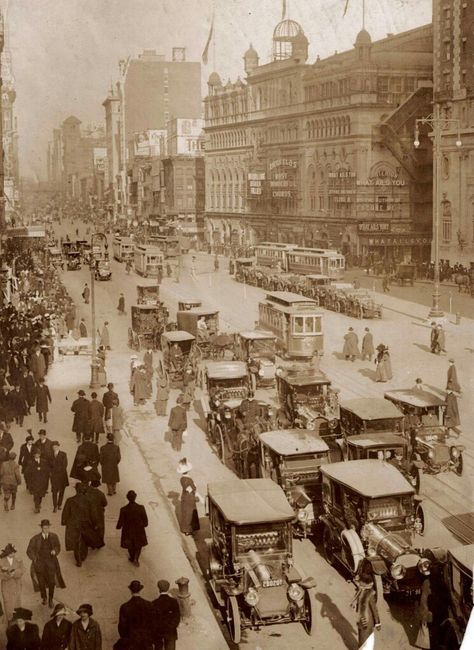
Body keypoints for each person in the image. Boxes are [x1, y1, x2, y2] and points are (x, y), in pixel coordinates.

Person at [26, 519, 66, 608]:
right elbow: (29, 551)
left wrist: (55, 551)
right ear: (41, 528)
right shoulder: (35, 538)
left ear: (49, 527)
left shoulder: (54, 536)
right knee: (41, 582)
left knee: (52, 582)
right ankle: (44, 597)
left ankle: (50, 599)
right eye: (44, 528)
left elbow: (58, 546)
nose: (46, 530)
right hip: (39, 564)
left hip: (51, 563)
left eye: (47, 528)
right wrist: (34, 558)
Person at [61, 483, 94, 568]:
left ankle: (78, 559)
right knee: (84, 540)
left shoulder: (70, 500)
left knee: (76, 541)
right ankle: (82, 555)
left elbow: (65, 513)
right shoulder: (88, 500)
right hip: (85, 524)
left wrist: (64, 522)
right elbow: (92, 513)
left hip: (73, 524)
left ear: (76, 490)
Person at [118, 580, 154, 650]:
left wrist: (126, 638)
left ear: (131, 591)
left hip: (131, 641)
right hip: (146, 641)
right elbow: (153, 624)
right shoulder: (149, 605)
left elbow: (122, 626)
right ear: (140, 590)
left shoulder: (125, 606)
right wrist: (150, 637)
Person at [116, 490, 148, 567]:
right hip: (139, 530)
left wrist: (118, 527)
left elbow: (120, 522)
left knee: (130, 545)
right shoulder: (141, 508)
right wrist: (142, 525)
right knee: (138, 545)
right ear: (135, 497)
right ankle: (136, 558)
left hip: (128, 531)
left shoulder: (123, 509)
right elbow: (145, 522)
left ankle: (132, 557)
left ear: (127, 498)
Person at [152, 579, 181, 650]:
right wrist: (171, 627)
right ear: (168, 589)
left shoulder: (154, 603)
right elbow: (177, 617)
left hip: (158, 633)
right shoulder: (173, 602)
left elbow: (153, 620)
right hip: (170, 632)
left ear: (159, 589)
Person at [353, 574, 381, 647]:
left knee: (365, 640)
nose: (358, 583)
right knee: (362, 638)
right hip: (361, 619)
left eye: (360, 582)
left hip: (367, 622)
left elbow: (374, 610)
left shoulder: (370, 595)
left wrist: (378, 623)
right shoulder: (361, 590)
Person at [177, 458, 202, 536]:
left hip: (186, 498)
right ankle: (188, 529)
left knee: (187, 513)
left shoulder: (183, 479)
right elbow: (190, 490)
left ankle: (188, 529)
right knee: (189, 514)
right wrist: (199, 496)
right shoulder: (187, 479)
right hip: (189, 498)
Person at [0, 543, 24, 623]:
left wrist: (15, 573)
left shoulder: (18, 560)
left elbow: (22, 570)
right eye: (11, 553)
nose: (12, 554)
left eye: (13, 552)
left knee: (17, 603)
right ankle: (10, 621)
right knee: (8, 604)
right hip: (6, 587)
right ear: (7, 553)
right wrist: (8, 575)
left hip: (16, 585)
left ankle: (17, 620)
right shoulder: (1, 561)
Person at [50, 441, 69, 513]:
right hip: (54, 477)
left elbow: (65, 465)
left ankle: (59, 504)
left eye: (56, 447)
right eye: (53, 447)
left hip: (62, 476)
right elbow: (48, 465)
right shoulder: (50, 455)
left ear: (58, 446)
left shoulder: (63, 454)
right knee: (54, 491)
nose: (54, 448)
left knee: (62, 491)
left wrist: (56, 470)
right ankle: (55, 506)